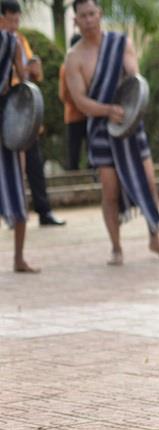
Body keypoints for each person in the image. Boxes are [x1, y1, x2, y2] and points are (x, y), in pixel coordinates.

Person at [64, 0, 159, 266]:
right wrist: (106, 110)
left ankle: (154, 236)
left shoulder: (121, 44)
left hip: (129, 123)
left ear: (99, 15)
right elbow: (79, 101)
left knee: (148, 182)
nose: (89, 19)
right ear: (75, 21)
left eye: (92, 13)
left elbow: (135, 80)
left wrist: (124, 106)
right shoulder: (74, 57)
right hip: (101, 129)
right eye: (83, 16)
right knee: (110, 191)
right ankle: (116, 247)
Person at [0, 0, 65, 226]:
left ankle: (42, 211)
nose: (15, 24)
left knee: (33, 165)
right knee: (14, 166)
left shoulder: (19, 42)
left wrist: (33, 70)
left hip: (20, 114)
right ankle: (12, 212)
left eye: (18, 19)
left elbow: (25, 76)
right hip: (7, 112)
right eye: (12, 19)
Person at [0, 24, 37, 272]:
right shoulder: (11, 40)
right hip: (6, 122)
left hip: (6, 124)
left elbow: (22, 78)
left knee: (16, 190)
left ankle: (19, 258)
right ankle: (18, 258)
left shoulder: (12, 41)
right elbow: (22, 76)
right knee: (15, 190)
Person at [58, 35, 87, 171]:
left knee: (92, 148)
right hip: (74, 115)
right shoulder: (65, 68)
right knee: (74, 150)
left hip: (89, 114)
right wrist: (80, 103)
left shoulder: (87, 64)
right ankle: (73, 175)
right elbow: (63, 94)